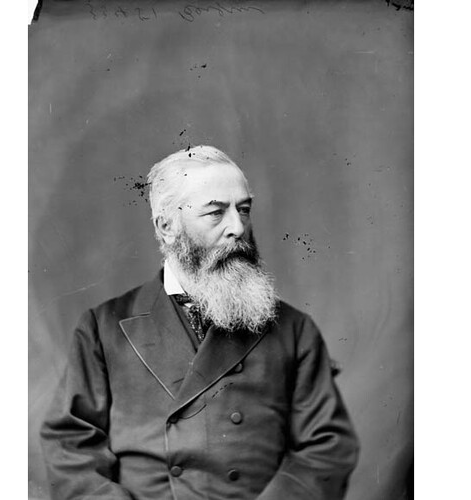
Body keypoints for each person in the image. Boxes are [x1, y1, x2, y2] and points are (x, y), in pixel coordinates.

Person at [40, 145, 359, 500]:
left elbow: (327, 448)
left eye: (243, 209)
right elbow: (70, 447)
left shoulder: (294, 330)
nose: (237, 227)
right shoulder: (103, 329)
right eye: (216, 212)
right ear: (167, 227)